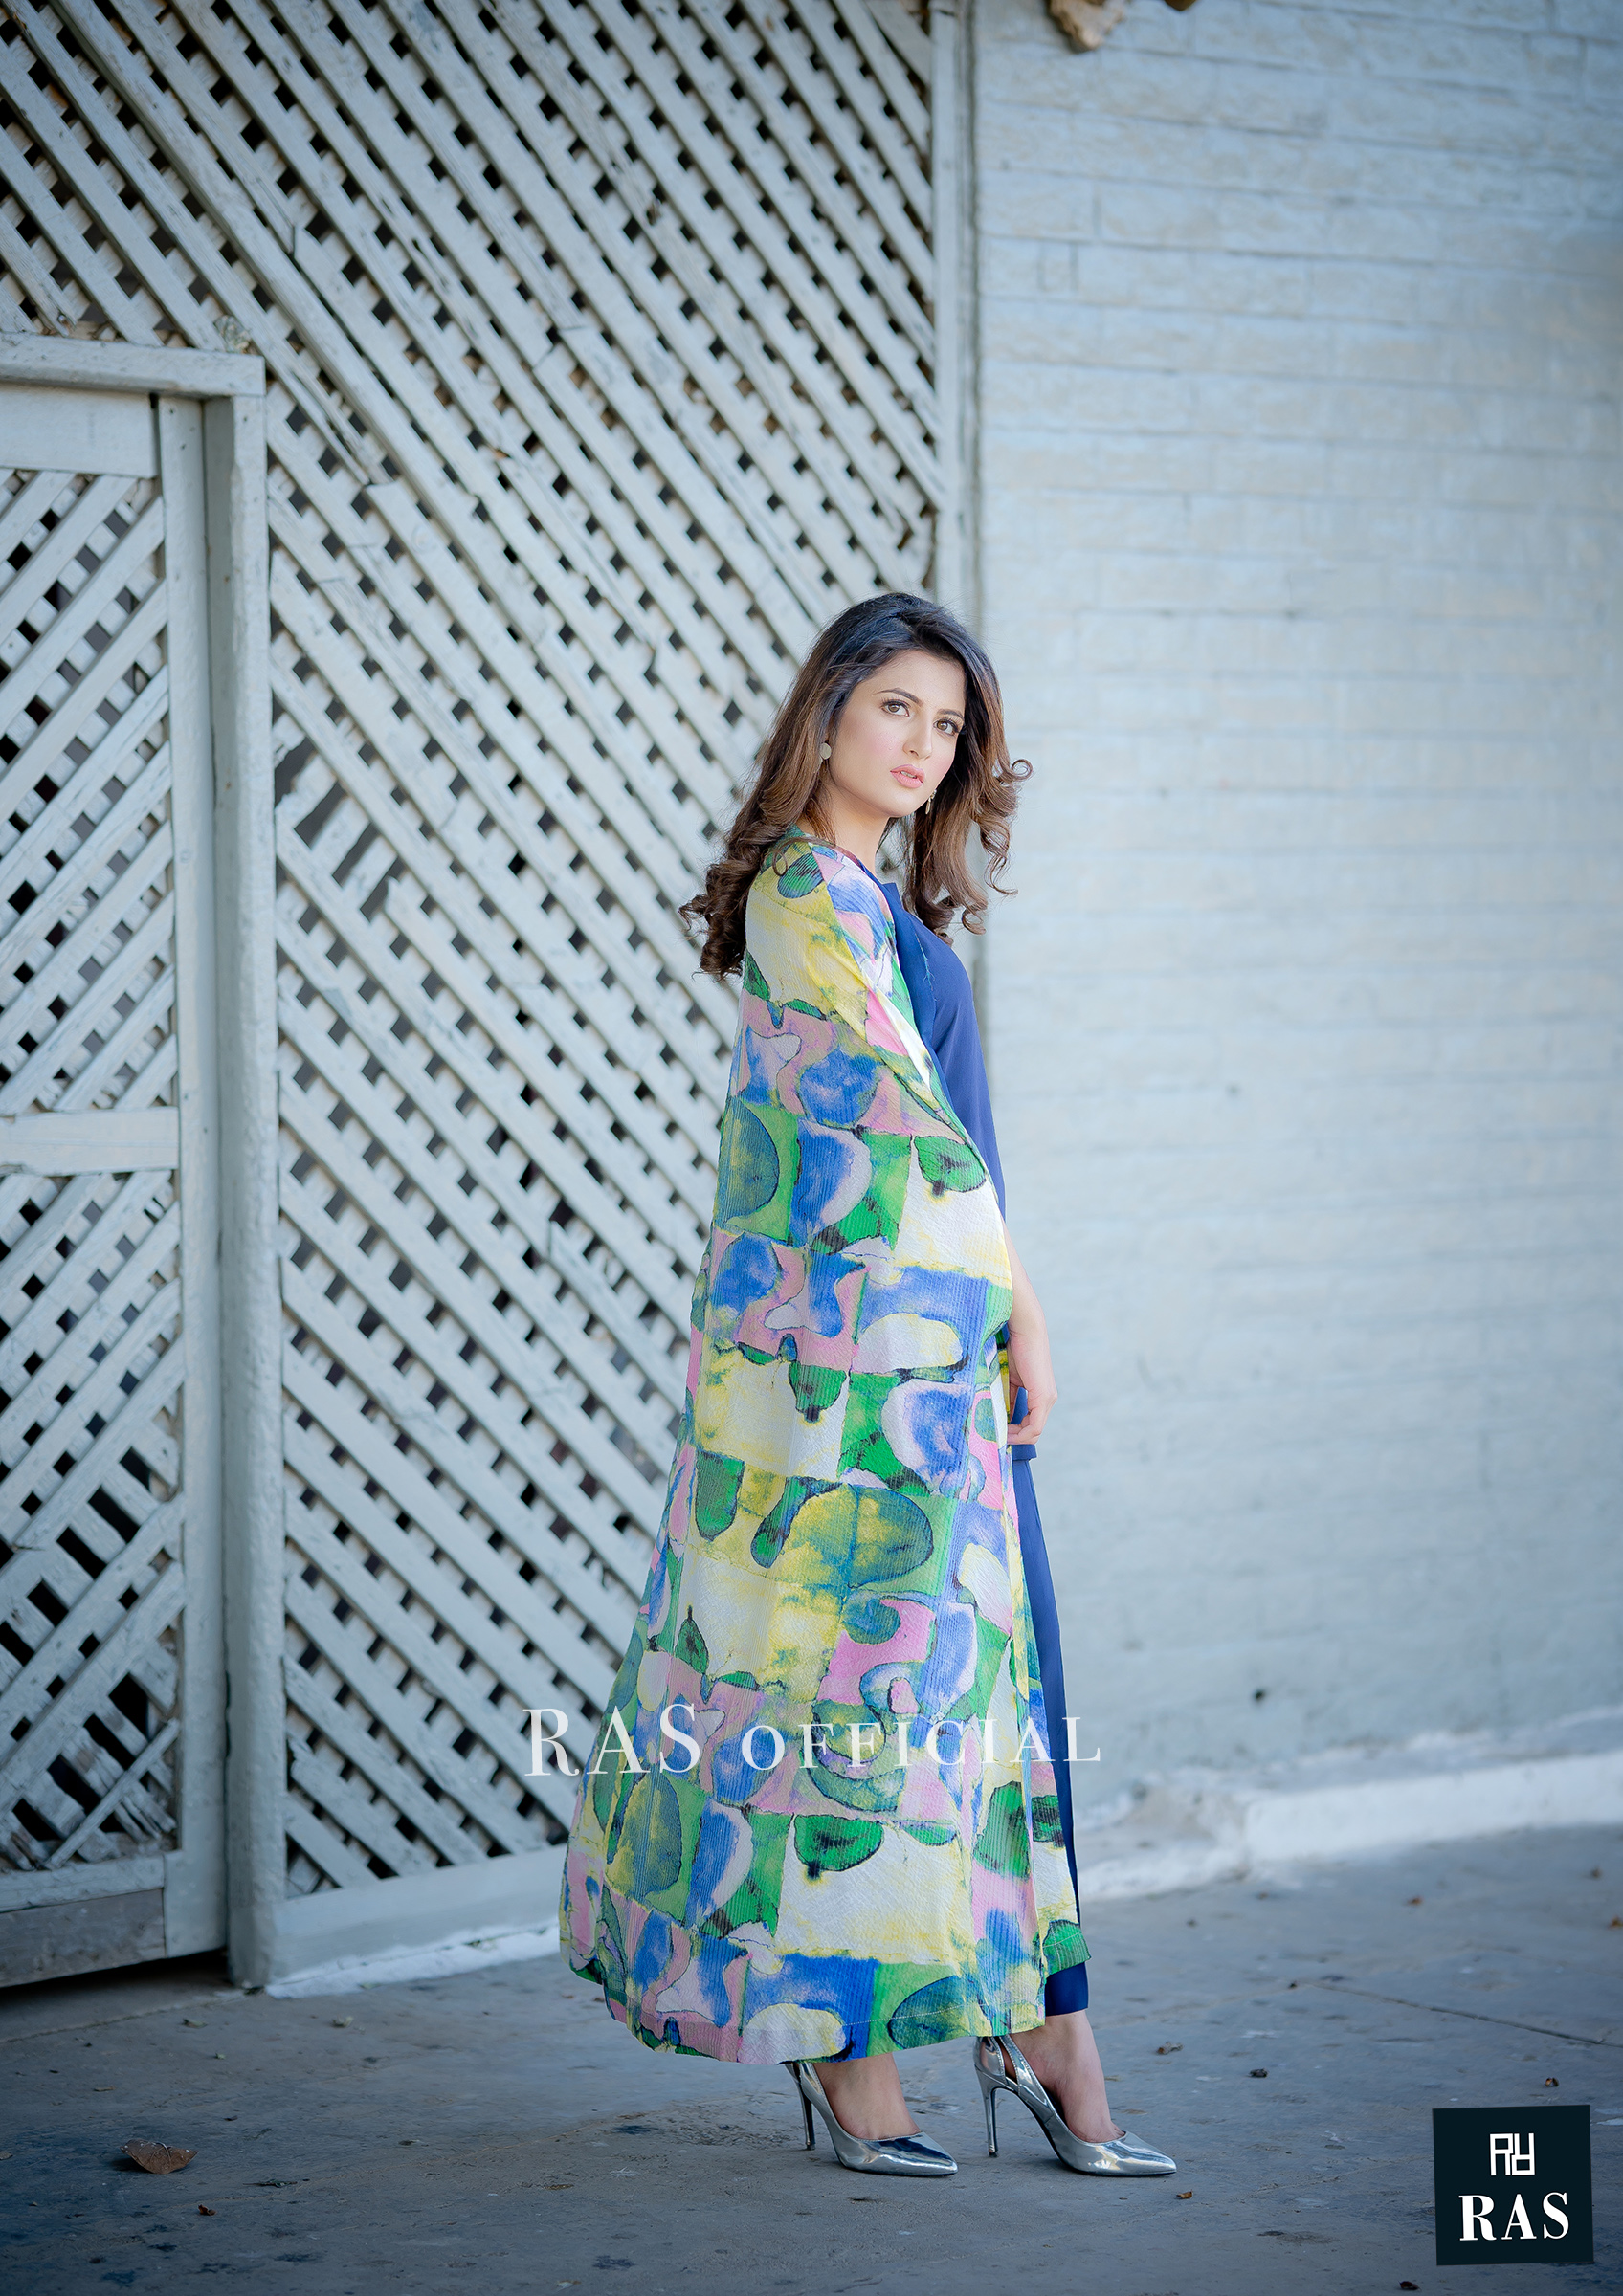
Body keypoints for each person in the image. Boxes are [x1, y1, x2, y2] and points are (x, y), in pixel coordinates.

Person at [560, 594, 1174, 2181]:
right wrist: (1020, 1307)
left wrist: (1016, 1314)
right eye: (897, 705)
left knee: (988, 1707)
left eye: (949, 725)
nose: (923, 744)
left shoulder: (878, 905)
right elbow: (897, 1141)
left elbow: (950, 1145)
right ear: (827, 710)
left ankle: (1043, 2033)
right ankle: (871, 2057)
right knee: (858, 1706)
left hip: (938, 1369)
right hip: (869, 1395)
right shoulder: (804, 897)